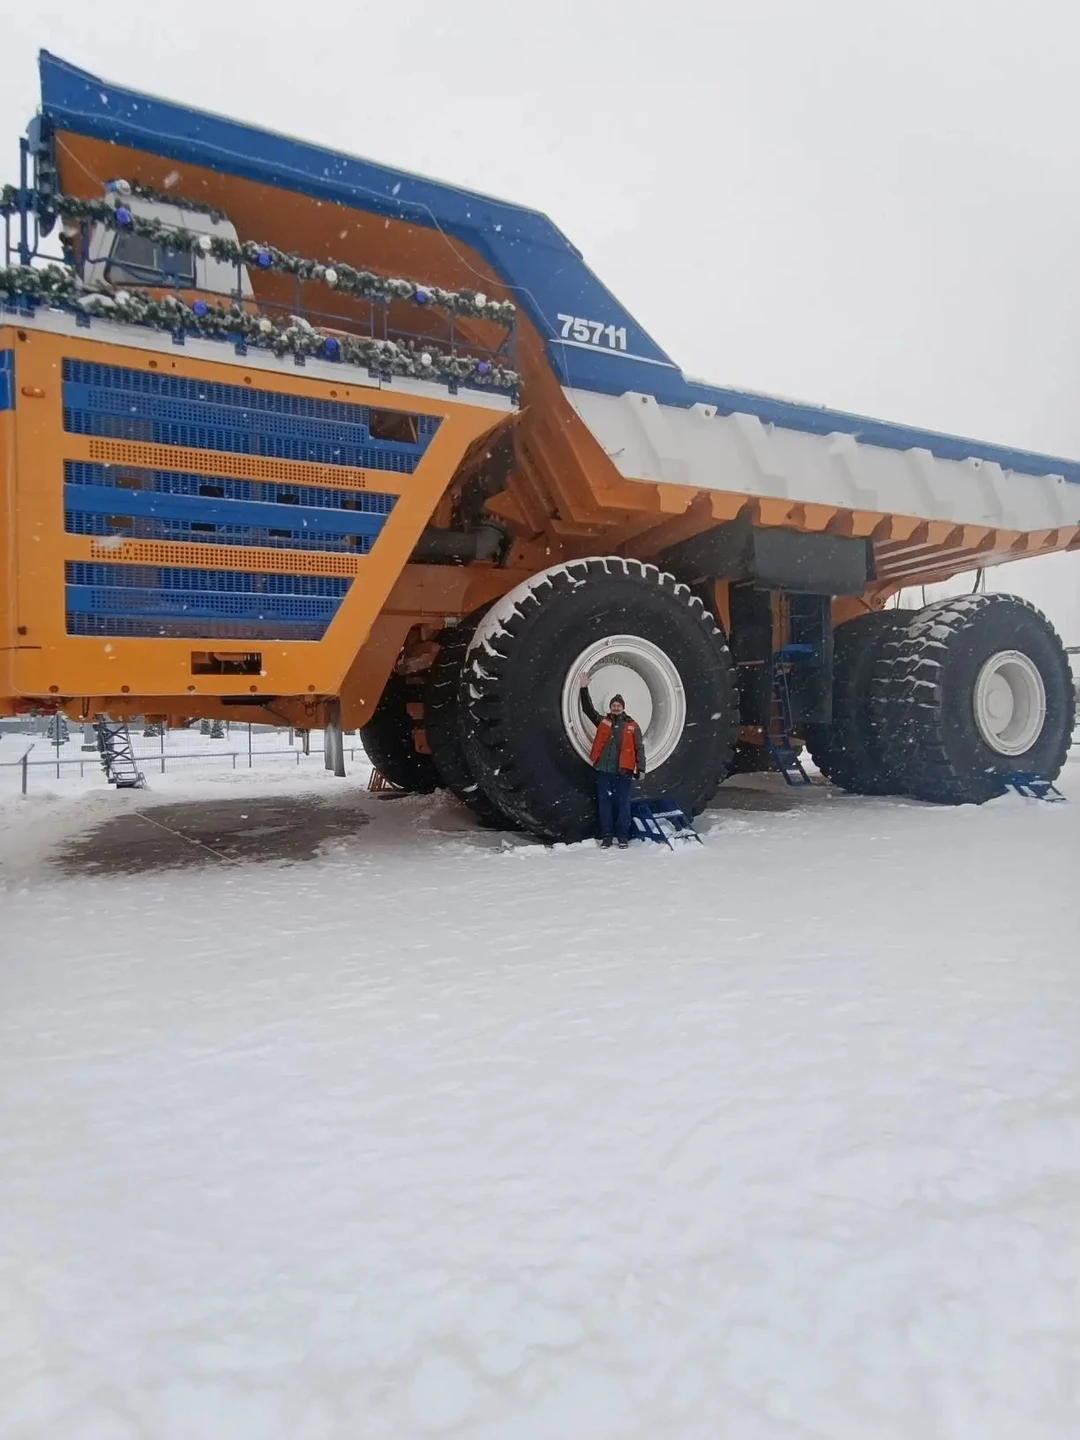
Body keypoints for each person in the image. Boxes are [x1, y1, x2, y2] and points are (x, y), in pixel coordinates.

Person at [580, 682, 645, 848]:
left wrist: (641, 767)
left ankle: (622, 837)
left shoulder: (632, 725)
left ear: (623, 708)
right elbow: (588, 709)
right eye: (614, 705)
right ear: (610, 707)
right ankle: (607, 837)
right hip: (604, 771)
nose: (616, 708)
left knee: (624, 804)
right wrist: (583, 688)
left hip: (624, 771)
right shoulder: (603, 722)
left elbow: (639, 747)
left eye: (618, 705)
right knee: (605, 805)